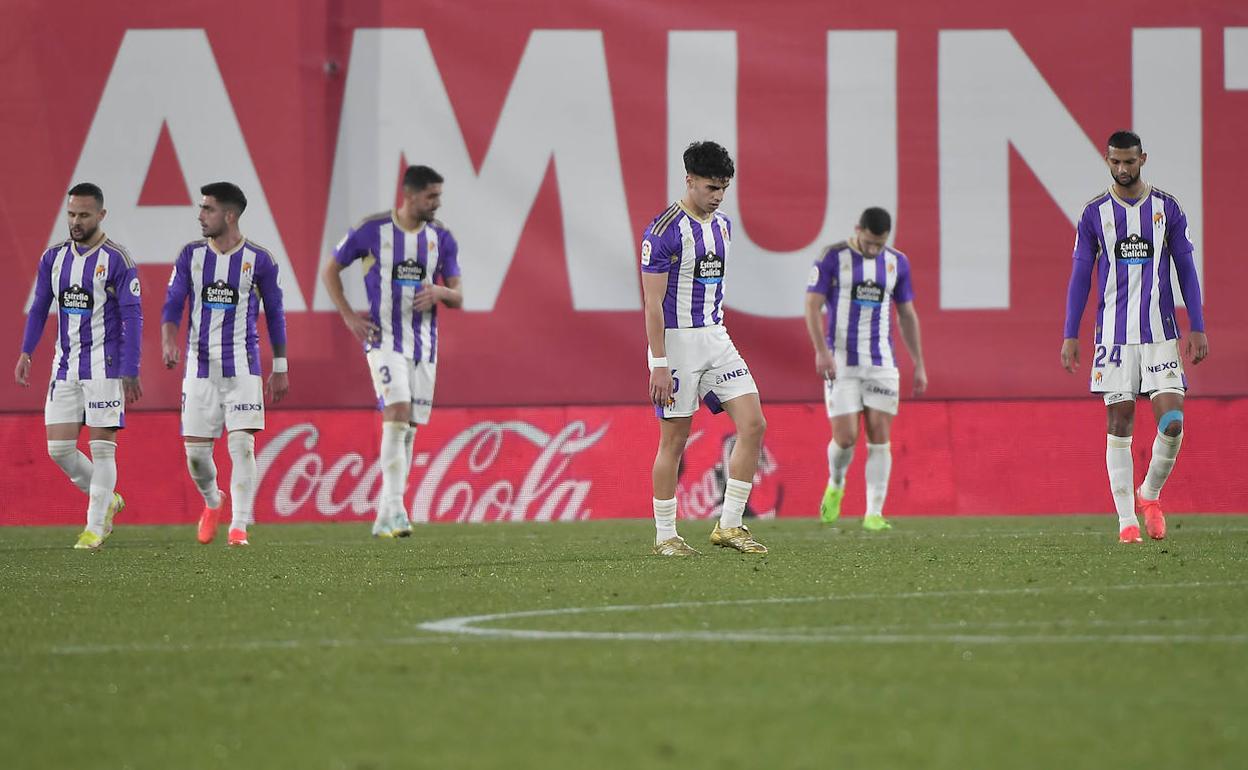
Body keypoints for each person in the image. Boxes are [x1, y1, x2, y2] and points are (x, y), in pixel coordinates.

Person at [1062, 131, 1207, 543]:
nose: (1122, 169)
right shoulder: (1094, 213)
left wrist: (1196, 325)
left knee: (1173, 421)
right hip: (1113, 336)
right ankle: (1127, 521)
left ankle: (1149, 495)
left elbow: (1185, 268)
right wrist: (1070, 334)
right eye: (1115, 162)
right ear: (1107, 161)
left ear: (1142, 159)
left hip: (1160, 333)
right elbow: (1079, 276)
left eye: (1129, 162)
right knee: (1120, 422)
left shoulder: (1167, 208)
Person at [640, 140, 768, 556]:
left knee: (753, 424)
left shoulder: (723, 226)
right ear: (689, 180)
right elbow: (652, 304)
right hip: (677, 345)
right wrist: (659, 363)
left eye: (723, 188)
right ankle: (665, 536)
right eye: (711, 188)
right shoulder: (662, 233)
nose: (718, 196)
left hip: (716, 337)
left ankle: (729, 525)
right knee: (674, 443)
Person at [321, 165, 463, 538]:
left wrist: (441, 293)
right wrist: (349, 315)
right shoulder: (373, 230)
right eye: (431, 196)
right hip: (384, 340)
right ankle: (397, 509)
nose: (437, 203)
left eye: (438, 196)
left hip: (424, 345)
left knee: (408, 426)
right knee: (397, 409)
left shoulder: (441, 238)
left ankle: (386, 513)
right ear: (411, 195)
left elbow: (458, 294)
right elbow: (330, 270)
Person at [15, 183, 142, 549]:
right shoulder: (53, 258)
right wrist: (26, 352)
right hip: (65, 366)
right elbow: (40, 306)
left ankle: (94, 528)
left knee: (102, 448)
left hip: (105, 367)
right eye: (71, 214)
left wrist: (130, 368)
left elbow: (133, 317)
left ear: (101, 215)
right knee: (59, 450)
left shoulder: (118, 260)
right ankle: (108, 501)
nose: (75, 221)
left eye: (84, 215)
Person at [162, 182, 289, 547]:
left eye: (208, 209)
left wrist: (279, 365)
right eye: (201, 208)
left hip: (243, 369)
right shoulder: (191, 255)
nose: (200, 216)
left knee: (242, 447)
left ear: (229, 215)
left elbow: (275, 313)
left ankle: (239, 527)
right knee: (197, 458)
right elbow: (173, 302)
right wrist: (169, 337)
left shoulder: (259, 260)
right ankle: (213, 500)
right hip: (198, 370)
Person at [805, 207, 926, 530]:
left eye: (880, 244)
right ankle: (837, 483)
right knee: (845, 438)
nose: (874, 249)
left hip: (881, 362)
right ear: (858, 230)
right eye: (870, 242)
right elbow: (812, 305)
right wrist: (821, 352)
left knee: (879, 435)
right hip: (841, 360)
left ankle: (873, 512)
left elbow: (907, 314)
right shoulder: (833, 256)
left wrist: (919, 363)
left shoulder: (897, 262)